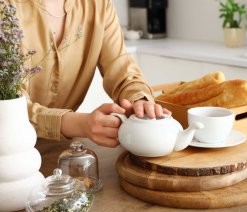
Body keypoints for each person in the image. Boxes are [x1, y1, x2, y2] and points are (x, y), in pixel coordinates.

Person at [10, 0, 169, 147]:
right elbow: (7, 104)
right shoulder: (7, 7)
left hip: (62, 148)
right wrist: (80, 125)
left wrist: (139, 101)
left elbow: (121, 69)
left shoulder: (98, 4)